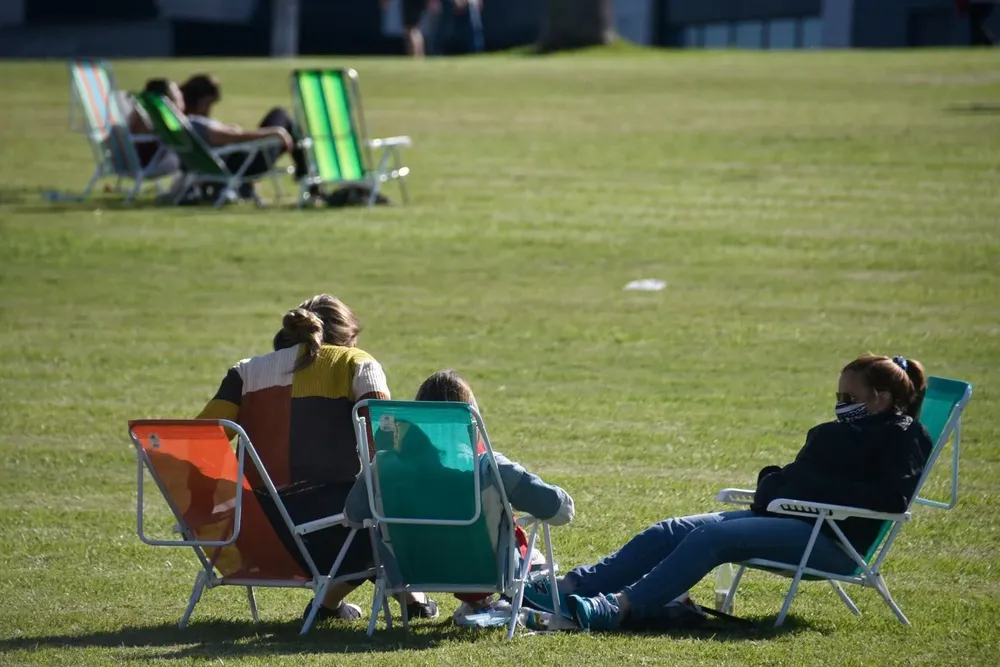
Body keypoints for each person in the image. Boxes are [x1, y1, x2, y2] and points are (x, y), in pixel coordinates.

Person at [524, 354, 933, 630]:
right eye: (839, 396)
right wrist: (784, 484)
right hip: (789, 518)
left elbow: (890, 500)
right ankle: (568, 589)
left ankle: (617, 608)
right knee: (673, 529)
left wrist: (803, 488)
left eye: (850, 398)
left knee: (713, 536)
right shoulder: (844, 431)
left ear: (881, 399)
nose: (841, 404)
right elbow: (795, 477)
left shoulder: (905, 438)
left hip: (833, 541)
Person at [196, 294, 437, 622]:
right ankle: (409, 597)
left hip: (253, 538)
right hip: (338, 539)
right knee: (386, 503)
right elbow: (385, 448)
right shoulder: (357, 363)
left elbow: (198, 444)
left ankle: (342, 604)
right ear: (349, 336)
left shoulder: (245, 373)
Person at [344, 370, 575, 613]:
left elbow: (353, 516)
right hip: (487, 571)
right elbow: (561, 511)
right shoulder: (492, 469)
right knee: (533, 557)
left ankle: (479, 604)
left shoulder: (383, 468)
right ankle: (492, 602)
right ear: (471, 418)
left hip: (413, 570)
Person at [178, 74, 309, 194]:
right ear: (202, 101)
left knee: (281, 118)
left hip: (234, 162)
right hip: (249, 163)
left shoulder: (185, 124)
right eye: (210, 103)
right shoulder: (196, 123)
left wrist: (229, 128)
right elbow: (236, 138)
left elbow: (224, 136)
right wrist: (275, 132)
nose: (210, 109)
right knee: (280, 114)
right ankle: (306, 176)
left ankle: (304, 173)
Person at [127, 78, 182, 173]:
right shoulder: (151, 119)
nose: (179, 96)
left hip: (131, 162)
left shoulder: (141, 114)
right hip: (149, 165)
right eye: (176, 94)